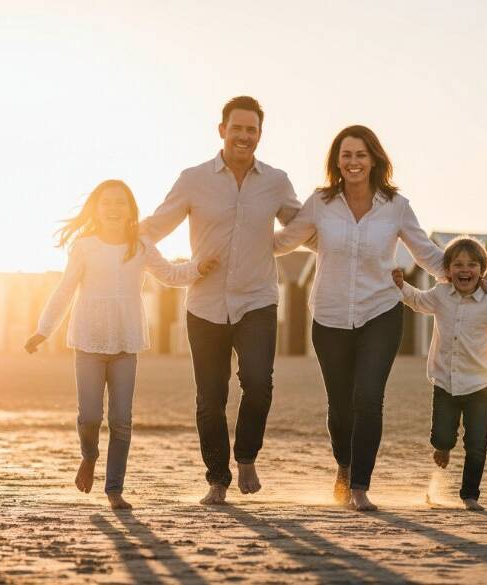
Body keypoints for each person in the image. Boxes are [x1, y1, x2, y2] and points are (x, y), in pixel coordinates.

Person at [273, 125, 454, 511]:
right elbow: (285, 241)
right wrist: (239, 239)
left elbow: (426, 253)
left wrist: (466, 277)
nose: (353, 162)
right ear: (336, 162)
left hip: (381, 312)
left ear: (374, 159)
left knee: (368, 399)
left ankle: (359, 486)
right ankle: (344, 465)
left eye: (360, 154)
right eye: (346, 155)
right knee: (340, 406)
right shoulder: (321, 203)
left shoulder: (396, 206)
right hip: (330, 315)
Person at [140, 96, 302, 505]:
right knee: (210, 399)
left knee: (258, 386)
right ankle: (217, 477)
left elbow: (305, 230)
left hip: (257, 301)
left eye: (252, 130)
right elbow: (152, 230)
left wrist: (273, 246)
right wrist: (176, 271)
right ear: (222, 130)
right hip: (205, 305)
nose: (244, 136)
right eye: (237, 128)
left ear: (260, 135)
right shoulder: (193, 179)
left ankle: (246, 455)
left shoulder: (276, 182)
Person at [24, 179, 218, 510]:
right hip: (88, 341)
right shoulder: (84, 246)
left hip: (126, 342)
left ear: (131, 210)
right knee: (88, 416)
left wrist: (198, 268)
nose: (113, 208)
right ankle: (89, 456)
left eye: (120, 203)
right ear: (96, 209)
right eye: (107, 202)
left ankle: (114, 489)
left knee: (121, 419)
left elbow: (170, 275)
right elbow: (65, 289)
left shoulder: (139, 244)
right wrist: (44, 329)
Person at [393, 236, 487, 511]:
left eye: (472, 265)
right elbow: (417, 301)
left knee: (477, 443)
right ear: (448, 270)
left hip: (479, 386)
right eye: (458, 264)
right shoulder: (441, 295)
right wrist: (400, 286)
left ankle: (470, 495)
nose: (465, 270)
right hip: (444, 382)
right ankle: (442, 447)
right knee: (442, 436)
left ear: (482, 270)